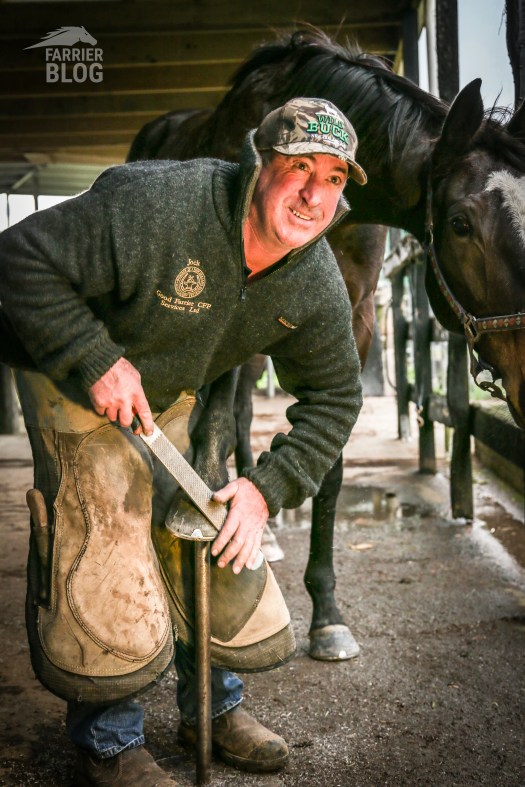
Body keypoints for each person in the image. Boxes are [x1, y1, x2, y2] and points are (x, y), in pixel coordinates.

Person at [0, 97, 366, 786]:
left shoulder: (313, 275)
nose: (315, 194)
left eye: (334, 177)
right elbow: (16, 258)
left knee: (209, 514)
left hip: (169, 380)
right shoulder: (155, 204)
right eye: (298, 168)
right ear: (258, 165)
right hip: (64, 360)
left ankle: (213, 707)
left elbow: (337, 397)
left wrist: (266, 488)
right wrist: (90, 354)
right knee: (106, 520)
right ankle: (108, 739)